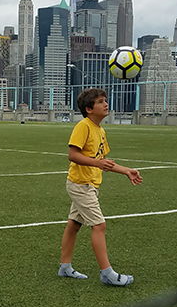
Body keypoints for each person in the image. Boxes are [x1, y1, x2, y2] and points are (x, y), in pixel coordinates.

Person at [59, 88, 142, 287]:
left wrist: (126, 171)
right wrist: (97, 164)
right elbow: (73, 155)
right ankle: (107, 273)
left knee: (74, 224)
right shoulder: (83, 126)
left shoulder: (100, 130)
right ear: (89, 109)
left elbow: (102, 160)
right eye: (101, 102)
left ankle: (65, 266)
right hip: (81, 185)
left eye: (106, 100)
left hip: (89, 184)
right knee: (99, 225)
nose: (106, 104)